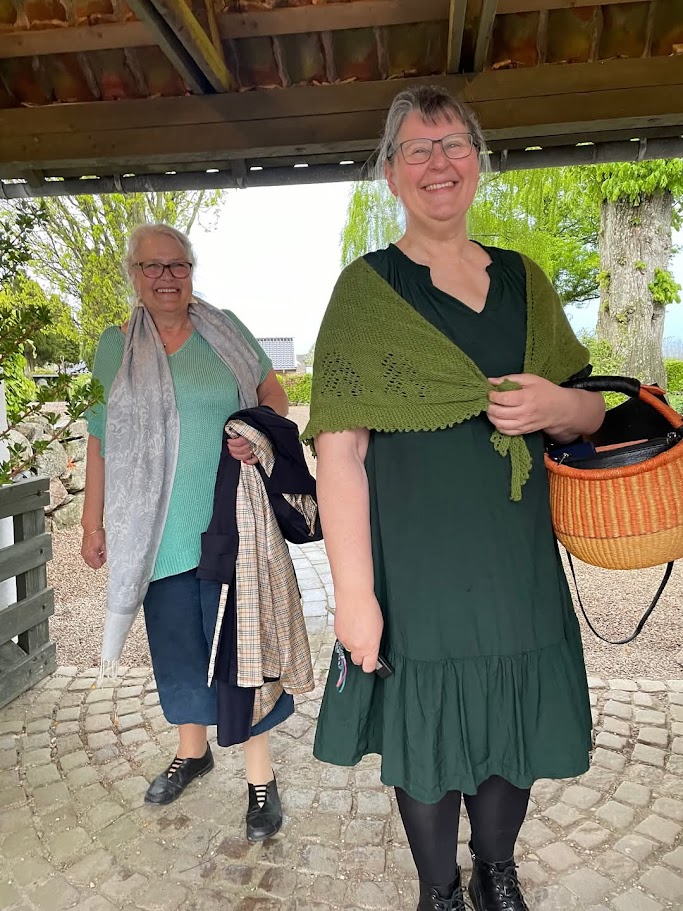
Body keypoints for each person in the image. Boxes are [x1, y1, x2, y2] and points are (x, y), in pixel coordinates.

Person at [303, 86, 605, 911]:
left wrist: (555, 403)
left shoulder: (525, 281)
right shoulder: (366, 292)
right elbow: (338, 452)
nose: (438, 163)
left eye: (453, 145)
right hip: (418, 566)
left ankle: (493, 868)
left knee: (512, 715)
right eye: (417, 149)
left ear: (477, 159)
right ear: (391, 173)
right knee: (427, 724)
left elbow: (591, 412)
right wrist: (354, 596)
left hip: (515, 560)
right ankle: (437, 889)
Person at [81, 222, 294, 841]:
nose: (166, 277)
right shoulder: (115, 347)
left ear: (192, 270)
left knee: (242, 651)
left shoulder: (225, 331)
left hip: (232, 521)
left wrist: (254, 430)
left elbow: (274, 398)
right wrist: (92, 520)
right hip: (155, 530)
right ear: (134, 275)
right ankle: (193, 751)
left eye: (177, 265)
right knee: (176, 648)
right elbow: (100, 436)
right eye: (151, 266)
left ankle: (260, 779)